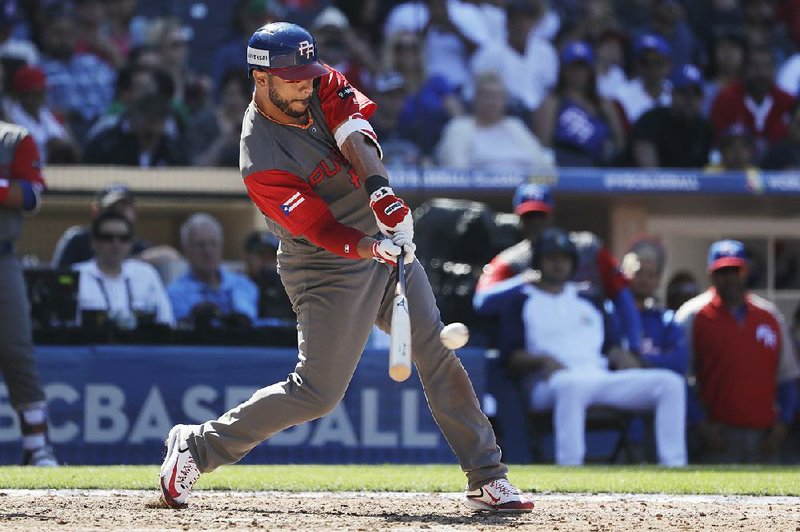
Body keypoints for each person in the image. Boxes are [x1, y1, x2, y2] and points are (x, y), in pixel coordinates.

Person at [158, 22, 533, 513]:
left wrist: (381, 194)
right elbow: (318, 229)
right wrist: (369, 248)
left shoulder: (320, 82)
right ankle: (197, 447)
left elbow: (355, 133)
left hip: (380, 236)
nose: (305, 85)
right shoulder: (260, 158)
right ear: (261, 78)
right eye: (293, 78)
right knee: (317, 393)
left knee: (435, 349)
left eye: (308, 74)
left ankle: (486, 475)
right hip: (324, 265)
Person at [494, 228, 687, 467]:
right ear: (539, 262)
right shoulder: (521, 300)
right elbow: (510, 356)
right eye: (551, 258)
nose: (558, 264)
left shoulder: (589, 299)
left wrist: (621, 354)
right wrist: (541, 360)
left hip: (599, 377)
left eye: (564, 258)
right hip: (548, 383)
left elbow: (610, 346)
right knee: (571, 385)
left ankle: (675, 464)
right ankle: (571, 466)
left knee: (670, 384)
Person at [473, 183, 642, 355]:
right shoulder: (511, 261)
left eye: (541, 215)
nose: (536, 223)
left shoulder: (588, 248)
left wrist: (634, 347)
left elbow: (621, 294)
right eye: (529, 217)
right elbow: (482, 302)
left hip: (591, 342)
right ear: (519, 220)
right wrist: (524, 281)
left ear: (551, 216)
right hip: (542, 349)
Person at [676, 240, 800, 463]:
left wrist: (782, 426)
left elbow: (788, 378)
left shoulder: (769, 314)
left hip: (766, 438)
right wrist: (701, 425)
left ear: (746, 271)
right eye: (723, 271)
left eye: (736, 270)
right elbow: (680, 378)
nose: (730, 277)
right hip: (718, 437)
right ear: (711, 275)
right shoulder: (692, 315)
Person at [0, 119, 57, 466]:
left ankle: (37, 446)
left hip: (1, 255)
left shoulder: (13, 138)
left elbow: (32, 196)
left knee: (16, 349)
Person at [435, 72, 553, 173]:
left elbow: (543, 166)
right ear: (475, 98)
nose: (492, 102)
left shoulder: (515, 125)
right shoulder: (459, 127)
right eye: (487, 96)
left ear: (504, 100)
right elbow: (456, 174)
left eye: (497, 97)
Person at [74, 211, 174, 329]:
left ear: (131, 243)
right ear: (94, 242)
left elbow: (166, 321)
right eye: (107, 238)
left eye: (123, 238)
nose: (116, 244)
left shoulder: (146, 274)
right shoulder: (76, 275)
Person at [533, 41, 624, 167]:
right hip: (564, 170)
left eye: (582, 67)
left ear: (590, 71)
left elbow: (620, 143)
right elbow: (542, 146)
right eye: (572, 67)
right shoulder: (551, 102)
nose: (577, 73)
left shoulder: (604, 104)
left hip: (599, 169)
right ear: (563, 70)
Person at [167, 213, 258, 328]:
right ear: (186, 249)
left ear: (221, 247)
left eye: (213, 243)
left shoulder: (243, 285)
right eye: (200, 245)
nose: (208, 251)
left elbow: (245, 318)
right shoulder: (175, 293)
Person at [710, 45, 795, 157]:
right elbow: (717, 142)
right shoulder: (725, 100)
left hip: (779, 168)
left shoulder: (787, 102)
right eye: (755, 66)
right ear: (744, 70)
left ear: (774, 70)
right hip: (734, 169)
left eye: (767, 66)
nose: (762, 73)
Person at [630, 64, 713, 168]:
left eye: (696, 93)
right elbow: (649, 174)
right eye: (684, 92)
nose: (690, 99)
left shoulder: (705, 128)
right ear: (672, 93)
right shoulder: (650, 120)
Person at [51, 183, 150, 268]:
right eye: (111, 209)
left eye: (123, 209)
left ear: (134, 213)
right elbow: (59, 277)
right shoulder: (78, 240)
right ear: (96, 211)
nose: (117, 215)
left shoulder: (140, 247)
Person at [242, 230, 293, 323]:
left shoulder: (289, 289)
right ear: (248, 257)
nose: (268, 262)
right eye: (262, 255)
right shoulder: (236, 288)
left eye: (273, 256)